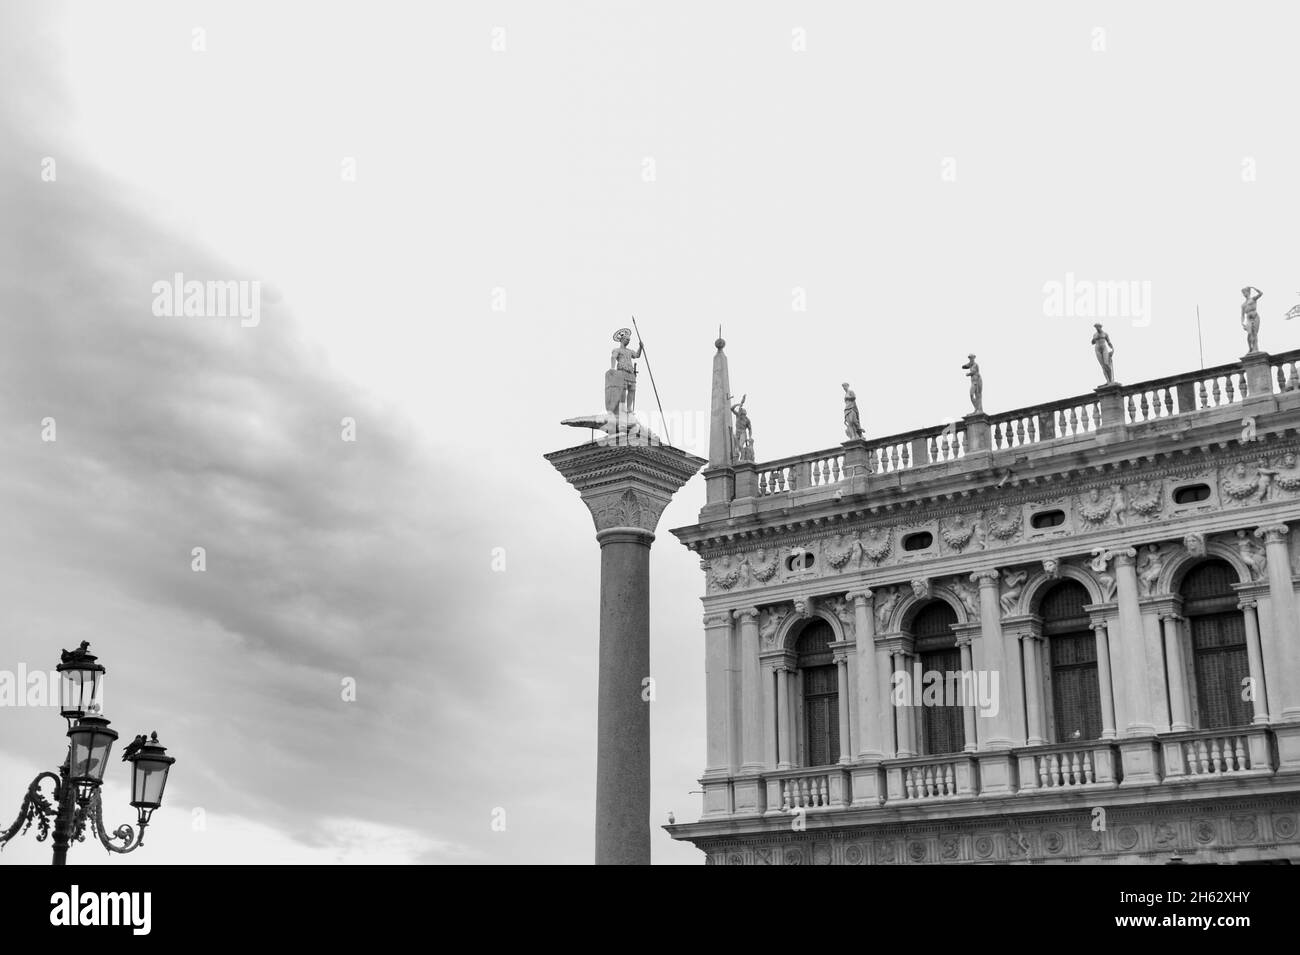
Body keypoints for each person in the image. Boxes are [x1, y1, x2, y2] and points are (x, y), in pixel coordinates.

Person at [1241, 286, 1263, 353]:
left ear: (1248, 292)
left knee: (1255, 333)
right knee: (1250, 333)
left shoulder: (1253, 299)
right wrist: (1242, 323)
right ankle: (1250, 347)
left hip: (1255, 317)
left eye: (1245, 292)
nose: (1244, 294)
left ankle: (1255, 348)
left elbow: (1261, 293)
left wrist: (1254, 288)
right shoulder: (1243, 305)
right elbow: (1242, 315)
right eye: (1243, 293)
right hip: (1248, 318)